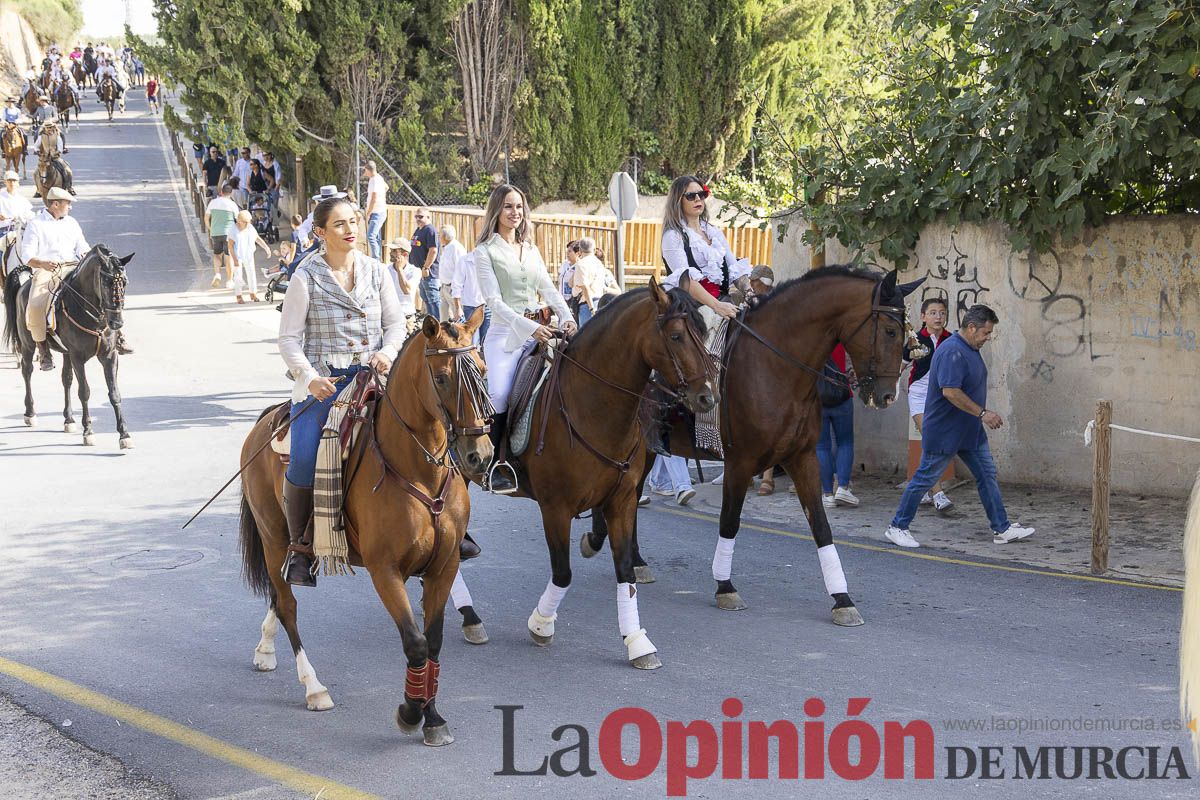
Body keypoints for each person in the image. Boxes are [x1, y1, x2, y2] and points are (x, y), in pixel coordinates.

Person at [277, 196, 405, 586]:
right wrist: (309, 377)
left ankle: (449, 520)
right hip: (326, 382)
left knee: (430, 423)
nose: (351, 230)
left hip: (375, 375)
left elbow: (396, 324)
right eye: (340, 224)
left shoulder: (378, 271)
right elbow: (288, 339)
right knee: (302, 456)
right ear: (319, 232)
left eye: (354, 221)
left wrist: (386, 352)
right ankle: (300, 546)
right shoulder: (305, 276)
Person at [885, 305, 1036, 549]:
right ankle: (897, 526)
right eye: (986, 333)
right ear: (972, 327)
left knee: (987, 475)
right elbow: (951, 392)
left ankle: (1002, 528)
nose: (989, 338)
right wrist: (983, 413)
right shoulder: (952, 351)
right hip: (945, 431)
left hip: (969, 432)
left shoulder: (970, 347)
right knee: (924, 479)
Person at [474, 184, 577, 492]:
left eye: (519, 206)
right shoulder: (484, 252)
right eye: (508, 206)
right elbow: (493, 302)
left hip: (542, 331)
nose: (515, 212)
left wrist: (568, 317)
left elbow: (548, 288)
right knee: (501, 394)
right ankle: (497, 463)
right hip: (506, 336)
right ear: (496, 210)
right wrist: (530, 328)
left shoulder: (531, 249)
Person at [659, 176, 748, 333]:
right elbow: (686, 280)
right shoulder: (673, 236)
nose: (698, 199)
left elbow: (734, 269)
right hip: (692, 307)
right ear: (678, 201)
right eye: (691, 196)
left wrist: (749, 290)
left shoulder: (713, 232)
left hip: (723, 300)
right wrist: (717, 306)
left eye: (701, 194)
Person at [18, 187, 89, 370]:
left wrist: (85, 255)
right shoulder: (36, 224)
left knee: (101, 288)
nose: (70, 208)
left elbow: (82, 246)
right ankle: (43, 351)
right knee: (34, 305)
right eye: (68, 204)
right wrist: (42, 263)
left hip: (72, 267)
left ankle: (116, 336)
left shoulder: (72, 223)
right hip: (47, 270)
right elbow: (27, 255)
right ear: (55, 204)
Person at [907, 298, 955, 512]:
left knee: (938, 444)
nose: (938, 317)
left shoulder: (951, 339)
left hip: (942, 397)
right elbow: (901, 364)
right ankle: (938, 493)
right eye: (933, 313)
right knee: (931, 439)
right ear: (923, 316)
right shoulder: (915, 339)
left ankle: (925, 488)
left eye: (942, 313)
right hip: (918, 395)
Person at [817, 343, 858, 509]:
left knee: (821, 446)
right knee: (845, 442)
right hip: (841, 395)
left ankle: (827, 494)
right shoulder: (842, 339)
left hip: (817, 397)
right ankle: (842, 487)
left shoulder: (812, 337)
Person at [571, 237, 617, 327]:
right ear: (594, 249)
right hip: (600, 302)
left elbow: (585, 287)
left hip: (587, 305)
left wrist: (592, 309)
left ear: (580, 249)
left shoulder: (581, 264)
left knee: (585, 337)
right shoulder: (599, 263)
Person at [227, 209, 270, 303]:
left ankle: (253, 293)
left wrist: (266, 248)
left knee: (251, 273)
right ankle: (239, 295)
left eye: (248, 221)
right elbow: (230, 246)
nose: (247, 224)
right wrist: (234, 259)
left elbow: (257, 238)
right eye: (245, 222)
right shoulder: (233, 230)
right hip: (237, 255)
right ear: (238, 221)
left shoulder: (250, 227)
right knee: (238, 276)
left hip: (249, 254)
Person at [204, 183, 239, 288]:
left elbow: (206, 218)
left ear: (221, 192)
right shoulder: (232, 204)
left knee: (217, 255)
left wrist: (211, 229)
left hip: (215, 232)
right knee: (229, 257)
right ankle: (229, 280)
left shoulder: (213, 202)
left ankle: (217, 274)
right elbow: (238, 219)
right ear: (230, 193)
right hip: (229, 233)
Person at [409, 207, 441, 320]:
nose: (418, 219)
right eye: (416, 216)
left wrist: (426, 267)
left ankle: (438, 326)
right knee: (426, 298)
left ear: (428, 217)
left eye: (421, 216)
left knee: (433, 300)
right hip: (419, 272)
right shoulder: (419, 229)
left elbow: (433, 250)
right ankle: (433, 323)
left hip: (428, 273)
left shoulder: (430, 230)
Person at [452, 249, 488, 347]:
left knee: (487, 341)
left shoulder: (490, 259)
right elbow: (457, 286)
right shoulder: (464, 261)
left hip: (488, 306)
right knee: (472, 343)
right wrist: (458, 308)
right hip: (471, 307)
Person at [386, 237, 421, 333]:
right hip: (389, 319)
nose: (390, 253)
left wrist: (399, 269)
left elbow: (407, 290)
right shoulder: (386, 269)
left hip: (406, 319)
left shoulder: (414, 271)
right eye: (391, 250)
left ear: (404, 254)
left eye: (394, 251)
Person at [439, 224, 467, 317]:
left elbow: (461, 271)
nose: (439, 237)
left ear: (445, 236)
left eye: (440, 235)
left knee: (457, 316)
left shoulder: (456, 248)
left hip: (452, 288)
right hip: (444, 287)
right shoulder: (446, 247)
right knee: (443, 316)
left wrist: (456, 289)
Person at [361, 161, 388, 260]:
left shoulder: (374, 180)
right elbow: (386, 187)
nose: (364, 172)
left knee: (371, 236)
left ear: (368, 170)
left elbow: (374, 198)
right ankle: (378, 258)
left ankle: (375, 259)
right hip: (379, 211)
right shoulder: (379, 178)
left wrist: (368, 213)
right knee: (376, 237)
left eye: (365, 170)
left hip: (377, 212)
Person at [0, 170, 34, 244]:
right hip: (3, 230)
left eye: (14, 181)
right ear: (5, 182)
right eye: (9, 181)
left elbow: (30, 215)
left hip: (19, 230)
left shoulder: (22, 199)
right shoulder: (1, 197)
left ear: (18, 183)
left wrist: (21, 217)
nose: (12, 183)